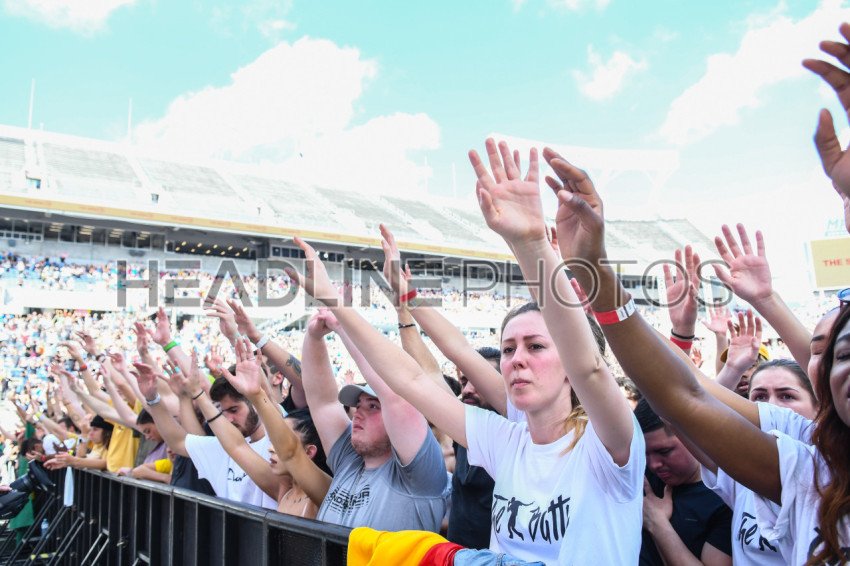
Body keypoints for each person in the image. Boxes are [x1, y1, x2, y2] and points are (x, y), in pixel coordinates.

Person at [286, 137, 644, 564]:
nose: (516, 359)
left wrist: (532, 245)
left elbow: (590, 370)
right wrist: (336, 300)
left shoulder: (608, 443)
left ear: (568, 360)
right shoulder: (506, 441)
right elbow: (413, 379)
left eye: (535, 346)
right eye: (508, 349)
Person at [299, 308, 448, 532]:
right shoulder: (349, 458)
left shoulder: (420, 473)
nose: (358, 413)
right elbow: (323, 402)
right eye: (358, 405)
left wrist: (342, 327)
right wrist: (313, 337)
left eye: (373, 406)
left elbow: (396, 398)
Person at [700, 360, 817, 564]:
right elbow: (676, 407)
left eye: (787, 396)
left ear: (818, 407)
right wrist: (732, 368)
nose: (771, 405)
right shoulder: (742, 472)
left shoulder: (833, 475)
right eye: (759, 397)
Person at [133, 363, 278, 509]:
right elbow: (178, 442)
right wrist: (153, 398)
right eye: (223, 412)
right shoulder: (223, 446)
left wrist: (198, 393)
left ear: (255, 403)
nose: (228, 419)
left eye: (234, 410)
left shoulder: (278, 443)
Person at [635, 399, 733, 565]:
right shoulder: (642, 477)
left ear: (693, 437)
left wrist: (657, 524)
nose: (653, 464)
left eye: (664, 451)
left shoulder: (725, 498)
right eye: (644, 453)